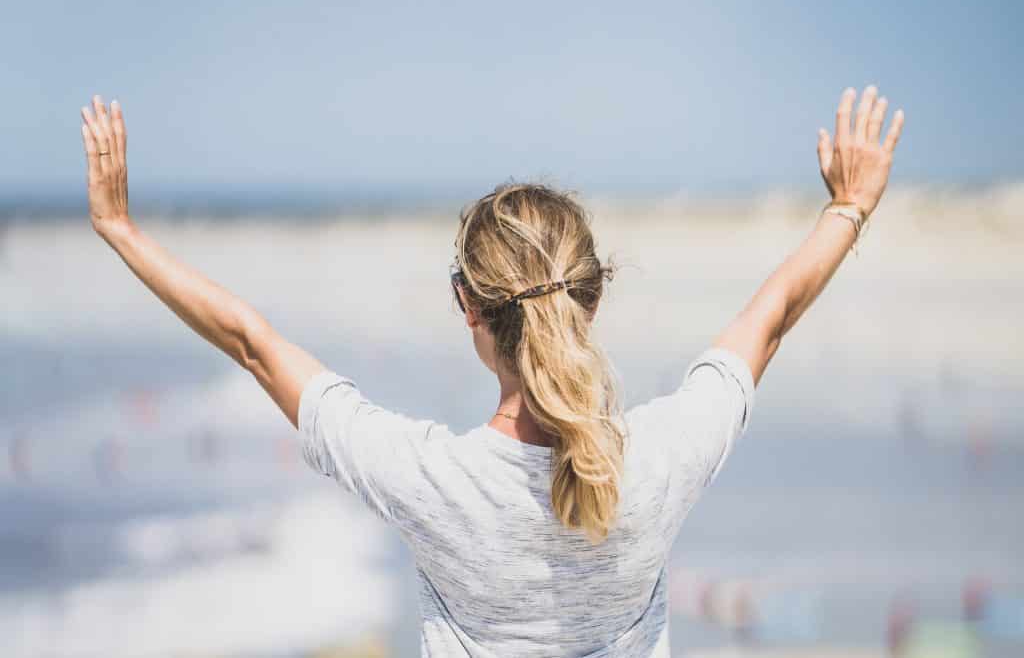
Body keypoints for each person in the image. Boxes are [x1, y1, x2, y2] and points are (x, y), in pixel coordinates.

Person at [79, 86, 904, 656]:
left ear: (467, 305)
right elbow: (773, 316)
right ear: (593, 298)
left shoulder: (432, 477)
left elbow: (252, 342)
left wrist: (121, 230)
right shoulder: (655, 460)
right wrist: (849, 206)